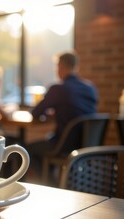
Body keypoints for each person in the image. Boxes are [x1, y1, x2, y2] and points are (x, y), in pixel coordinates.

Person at [25, 51, 98, 183]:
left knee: (25, 150)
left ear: (60, 66)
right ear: (76, 67)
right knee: (44, 145)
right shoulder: (90, 88)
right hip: (87, 144)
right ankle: (57, 180)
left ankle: (51, 184)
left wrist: (51, 113)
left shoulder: (59, 88)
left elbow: (36, 113)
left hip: (64, 145)